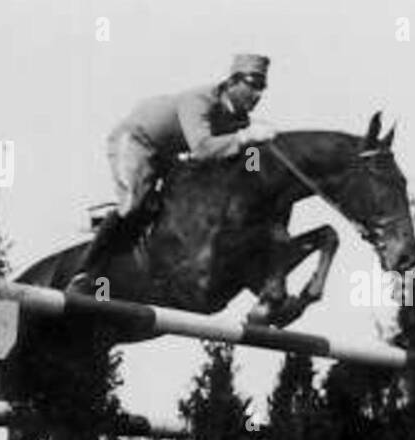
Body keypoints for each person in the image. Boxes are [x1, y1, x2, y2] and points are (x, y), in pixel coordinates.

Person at [66, 54, 277, 294]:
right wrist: (245, 137)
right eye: (253, 85)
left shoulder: (239, 119)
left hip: (168, 153)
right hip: (136, 141)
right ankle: (85, 272)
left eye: (263, 88)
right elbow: (203, 149)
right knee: (134, 204)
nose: (259, 95)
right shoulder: (200, 100)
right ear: (233, 82)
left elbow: (238, 161)